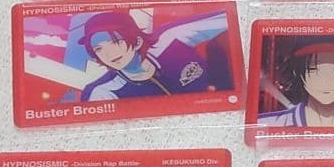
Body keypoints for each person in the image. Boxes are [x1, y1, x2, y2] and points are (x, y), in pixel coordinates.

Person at [79, 10, 230, 101]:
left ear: (137, 41)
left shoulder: (170, 37)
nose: (108, 54)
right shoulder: (101, 92)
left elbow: (234, 15)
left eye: (116, 41)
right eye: (98, 49)